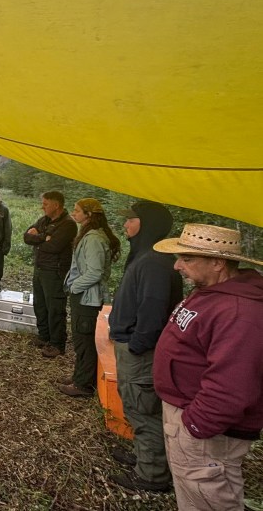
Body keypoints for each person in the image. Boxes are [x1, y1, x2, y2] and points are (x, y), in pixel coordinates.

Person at [152, 223, 263, 509]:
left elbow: (233, 385)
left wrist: (195, 427)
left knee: (208, 500)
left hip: (204, 433)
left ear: (217, 262)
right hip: (189, 418)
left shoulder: (240, 312)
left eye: (187, 259)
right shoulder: (212, 291)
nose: (177, 266)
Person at [108, 201, 182, 492]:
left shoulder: (153, 261)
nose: (126, 225)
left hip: (141, 351)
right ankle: (143, 456)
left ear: (147, 224)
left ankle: (152, 475)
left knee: (143, 408)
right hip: (134, 345)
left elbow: (153, 308)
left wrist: (138, 344)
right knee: (136, 405)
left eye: (132, 220)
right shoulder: (146, 256)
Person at [57, 198, 120, 397]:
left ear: (89, 214)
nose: (73, 213)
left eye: (77, 210)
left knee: (84, 339)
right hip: (85, 295)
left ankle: (83, 385)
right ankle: (80, 376)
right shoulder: (90, 234)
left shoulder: (93, 238)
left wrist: (74, 287)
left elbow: (94, 272)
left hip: (87, 297)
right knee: (81, 338)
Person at [24, 191, 77, 358]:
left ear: (56, 205)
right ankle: (44, 336)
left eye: (46, 204)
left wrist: (38, 239)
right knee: (40, 304)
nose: (43, 207)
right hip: (40, 269)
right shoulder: (45, 220)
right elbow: (26, 236)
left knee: (55, 308)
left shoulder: (68, 224)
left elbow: (54, 246)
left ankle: (57, 343)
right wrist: (43, 238)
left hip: (55, 271)